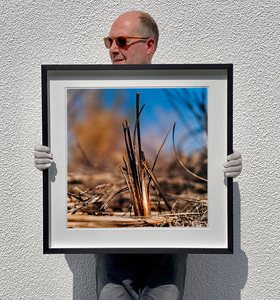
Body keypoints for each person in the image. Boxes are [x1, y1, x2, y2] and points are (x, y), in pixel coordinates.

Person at [34, 11, 242, 300]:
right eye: (108, 41)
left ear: (149, 45)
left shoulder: (181, 89)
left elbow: (200, 160)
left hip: (168, 251)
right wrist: (51, 163)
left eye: (121, 41)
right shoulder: (87, 94)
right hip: (111, 252)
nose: (112, 49)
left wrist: (223, 165)